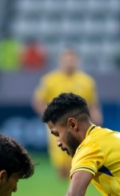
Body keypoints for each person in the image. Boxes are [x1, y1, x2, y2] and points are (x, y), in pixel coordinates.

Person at [32, 49, 102, 180]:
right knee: (62, 169)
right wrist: (49, 118)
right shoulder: (50, 80)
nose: (69, 63)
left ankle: (76, 187)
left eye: (72, 60)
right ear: (60, 62)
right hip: (58, 127)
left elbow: (93, 104)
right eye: (66, 60)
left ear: (77, 61)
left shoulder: (87, 81)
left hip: (79, 126)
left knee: (78, 159)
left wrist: (97, 117)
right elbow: (38, 101)